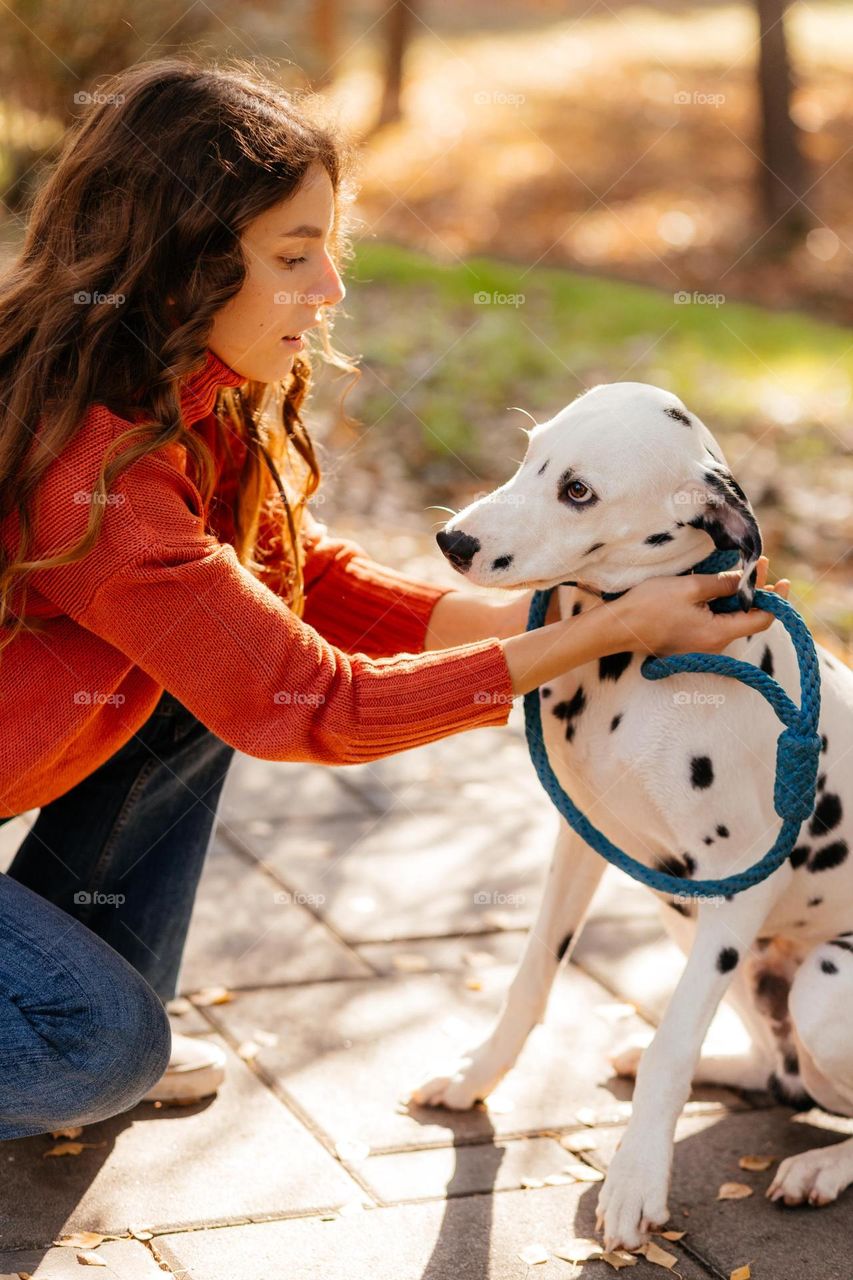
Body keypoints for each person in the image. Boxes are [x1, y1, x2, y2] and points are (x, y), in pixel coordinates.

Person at [0, 58, 788, 1138]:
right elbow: (314, 703)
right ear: (181, 266)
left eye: (330, 248)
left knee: (207, 672)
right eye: (293, 255)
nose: (329, 287)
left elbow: (295, 583)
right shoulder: (97, 474)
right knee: (97, 1048)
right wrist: (604, 631)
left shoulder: (177, 397)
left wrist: (570, 617)